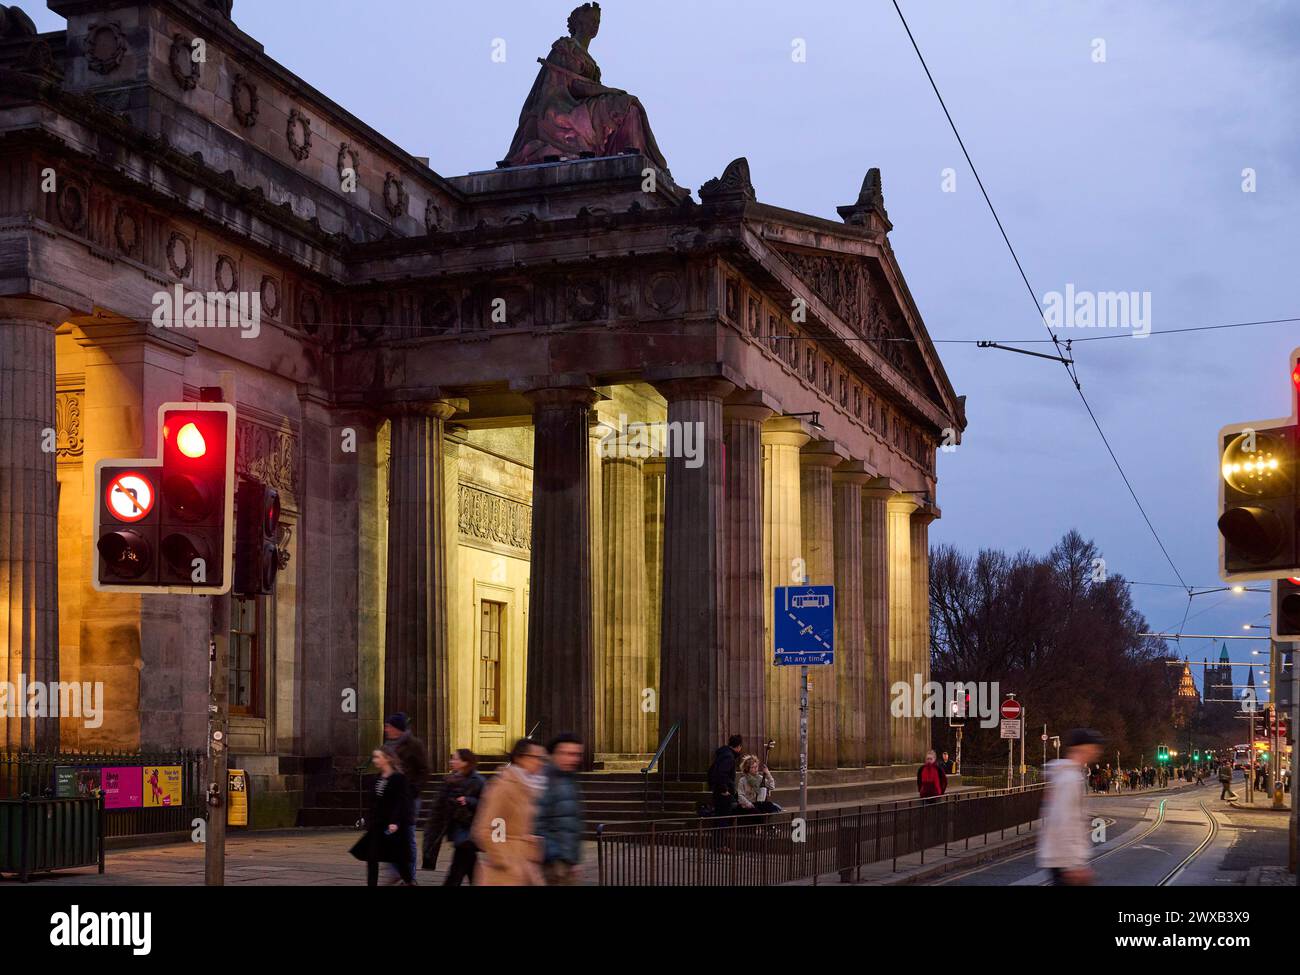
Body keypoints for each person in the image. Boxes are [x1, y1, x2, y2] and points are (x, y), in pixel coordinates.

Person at [471, 737, 546, 886]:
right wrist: (505, 860)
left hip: (523, 865)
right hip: (505, 875)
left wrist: (529, 841)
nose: (540, 762)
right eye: (535, 757)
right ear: (520, 758)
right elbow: (489, 828)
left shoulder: (528, 785)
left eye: (542, 758)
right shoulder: (504, 787)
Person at [1037, 728, 1104, 886]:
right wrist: (1074, 865)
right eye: (1094, 746)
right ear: (1083, 748)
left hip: (1060, 859)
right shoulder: (1070, 779)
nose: (1097, 751)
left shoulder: (1067, 775)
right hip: (1065, 862)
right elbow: (1065, 821)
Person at [349, 745, 415, 886]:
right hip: (377, 825)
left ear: (387, 758)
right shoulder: (377, 778)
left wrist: (395, 822)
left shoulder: (399, 778)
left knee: (397, 859)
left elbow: (401, 802)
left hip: (391, 826)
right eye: (374, 757)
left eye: (378, 757)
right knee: (372, 857)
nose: (375, 760)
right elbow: (374, 802)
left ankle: (410, 881)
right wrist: (367, 818)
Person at [423, 748, 485, 883]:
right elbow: (439, 805)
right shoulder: (450, 779)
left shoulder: (478, 780)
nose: (452, 761)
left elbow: (487, 804)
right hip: (456, 828)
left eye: (455, 758)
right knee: (469, 867)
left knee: (456, 871)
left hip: (468, 830)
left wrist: (468, 800)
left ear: (465, 762)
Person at [383, 713, 430, 879]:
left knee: (407, 835)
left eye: (388, 726)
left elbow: (424, 769)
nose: (385, 729)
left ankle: (408, 875)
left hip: (409, 797)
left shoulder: (414, 744)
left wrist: (413, 790)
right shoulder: (388, 745)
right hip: (392, 797)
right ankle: (396, 871)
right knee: (390, 833)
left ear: (397, 728)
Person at [536, 732, 586, 885]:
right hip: (551, 864)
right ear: (553, 754)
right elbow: (537, 823)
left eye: (577, 754)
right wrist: (554, 856)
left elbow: (574, 824)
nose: (573, 759)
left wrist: (574, 859)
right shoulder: (543, 780)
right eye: (567, 754)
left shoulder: (570, 779)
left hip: (566, 862)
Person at [707, 734, 744, 818]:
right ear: (738, 746)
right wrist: (724, 789)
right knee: (723, 816)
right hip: (723, 792)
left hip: (719, 789)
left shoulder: (723, 754)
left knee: (720, 815)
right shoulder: (728, 756)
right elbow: (721, 773)